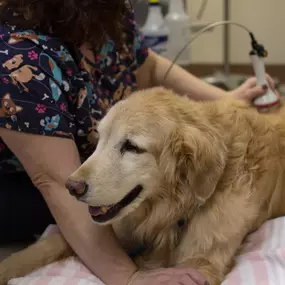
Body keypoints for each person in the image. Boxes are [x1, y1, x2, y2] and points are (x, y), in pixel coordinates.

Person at [0, 1, 279, 285]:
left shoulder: (107, 15)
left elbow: (148, 64)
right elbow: (56, 181)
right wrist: (127, 276)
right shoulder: (17, 57)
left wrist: (223, 98)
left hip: (102, 161)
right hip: (26, 185)